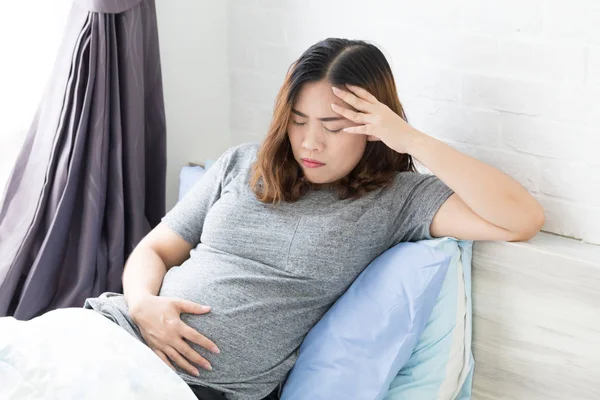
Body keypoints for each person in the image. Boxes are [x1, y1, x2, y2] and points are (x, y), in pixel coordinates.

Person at [83, 37, 544, 400]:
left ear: (374, 125)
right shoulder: (242, 164)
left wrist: (408, 138)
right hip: (115, 331)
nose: (309, 143)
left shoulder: (399, 199)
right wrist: (143, 304)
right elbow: (156, 248)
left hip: (198, 387)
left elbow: (520, 220)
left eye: (333, 125)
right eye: (299, 121)